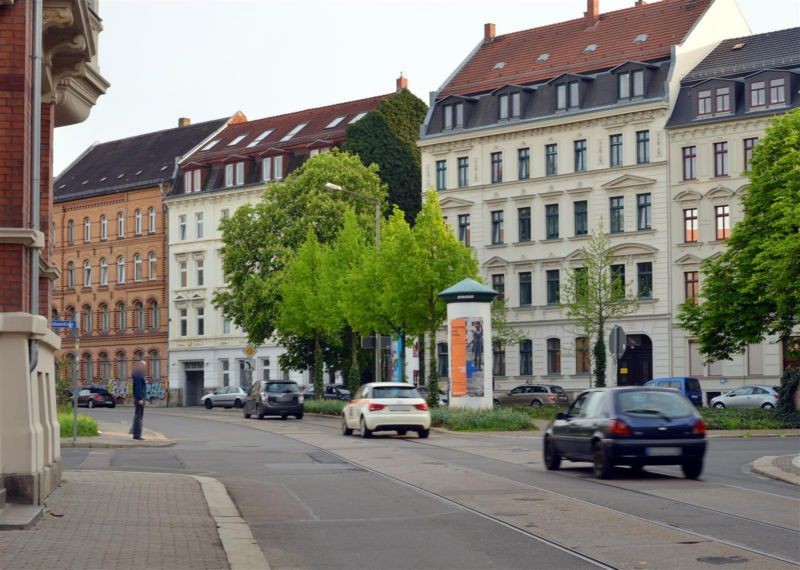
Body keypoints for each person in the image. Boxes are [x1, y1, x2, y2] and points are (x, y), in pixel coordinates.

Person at [131, 360, 147, 440]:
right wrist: (140, 398)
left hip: (138, 398)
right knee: (138, 416)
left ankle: (136, 434)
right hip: (139, 399)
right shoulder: (138, 375)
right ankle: (137, 435)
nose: (145, 368)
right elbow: (138, 388)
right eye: (144, 366)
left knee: (138, 416)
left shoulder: (138, 374)